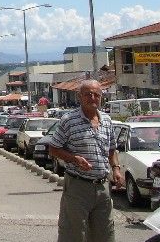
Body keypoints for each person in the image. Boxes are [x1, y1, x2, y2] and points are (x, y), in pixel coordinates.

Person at [49, 80, 124, 242]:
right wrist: (74, 159)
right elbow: (53, 148)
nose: (92, 98)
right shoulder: (68, 120)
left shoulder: (107, 120)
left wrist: (116, 169)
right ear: (79, 97)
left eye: (96, 94)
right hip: (78, 187)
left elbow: (112, 149)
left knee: (105, 234)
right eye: (88, 94)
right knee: (74, 234)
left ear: (101, 97)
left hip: (103, 187)